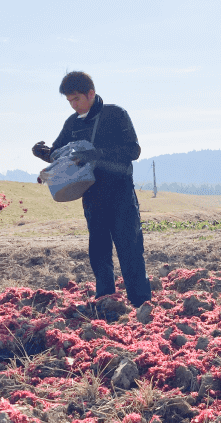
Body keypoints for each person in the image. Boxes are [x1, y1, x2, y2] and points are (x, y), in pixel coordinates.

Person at [32, 71, 151, 313]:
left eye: (77, 99)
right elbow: (58, 154)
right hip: (92, 194)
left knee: (129, 247)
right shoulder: (72, 124)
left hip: (120, 192)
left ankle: (141, 303)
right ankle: (105, 301)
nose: (74, 105)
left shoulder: (116, 114)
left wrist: (96, 153)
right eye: (69, 101)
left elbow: (134, 150)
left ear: (91, 93)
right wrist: (42, 153)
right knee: (98, 249)